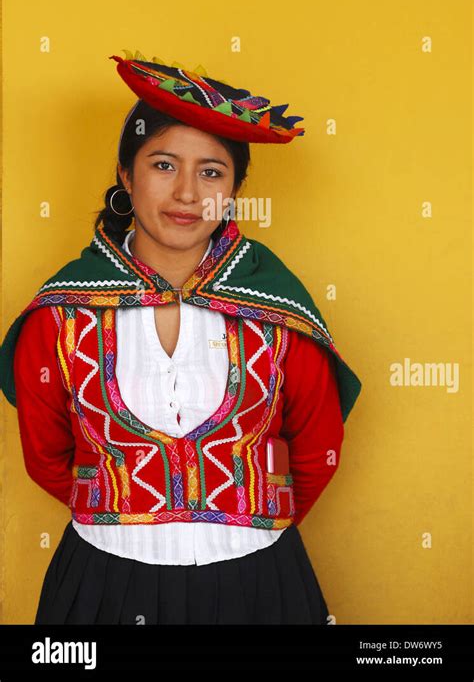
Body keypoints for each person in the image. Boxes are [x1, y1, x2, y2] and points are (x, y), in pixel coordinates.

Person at [0, 51, 362, 625]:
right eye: (163, 165)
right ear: (126, 174)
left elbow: (318, 449)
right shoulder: (60, 315)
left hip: (261, 582)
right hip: (101, 582)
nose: (188, 193)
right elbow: (46, 458)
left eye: (212, 172)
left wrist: (247, 520)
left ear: (235, 187)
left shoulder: (280, 312)